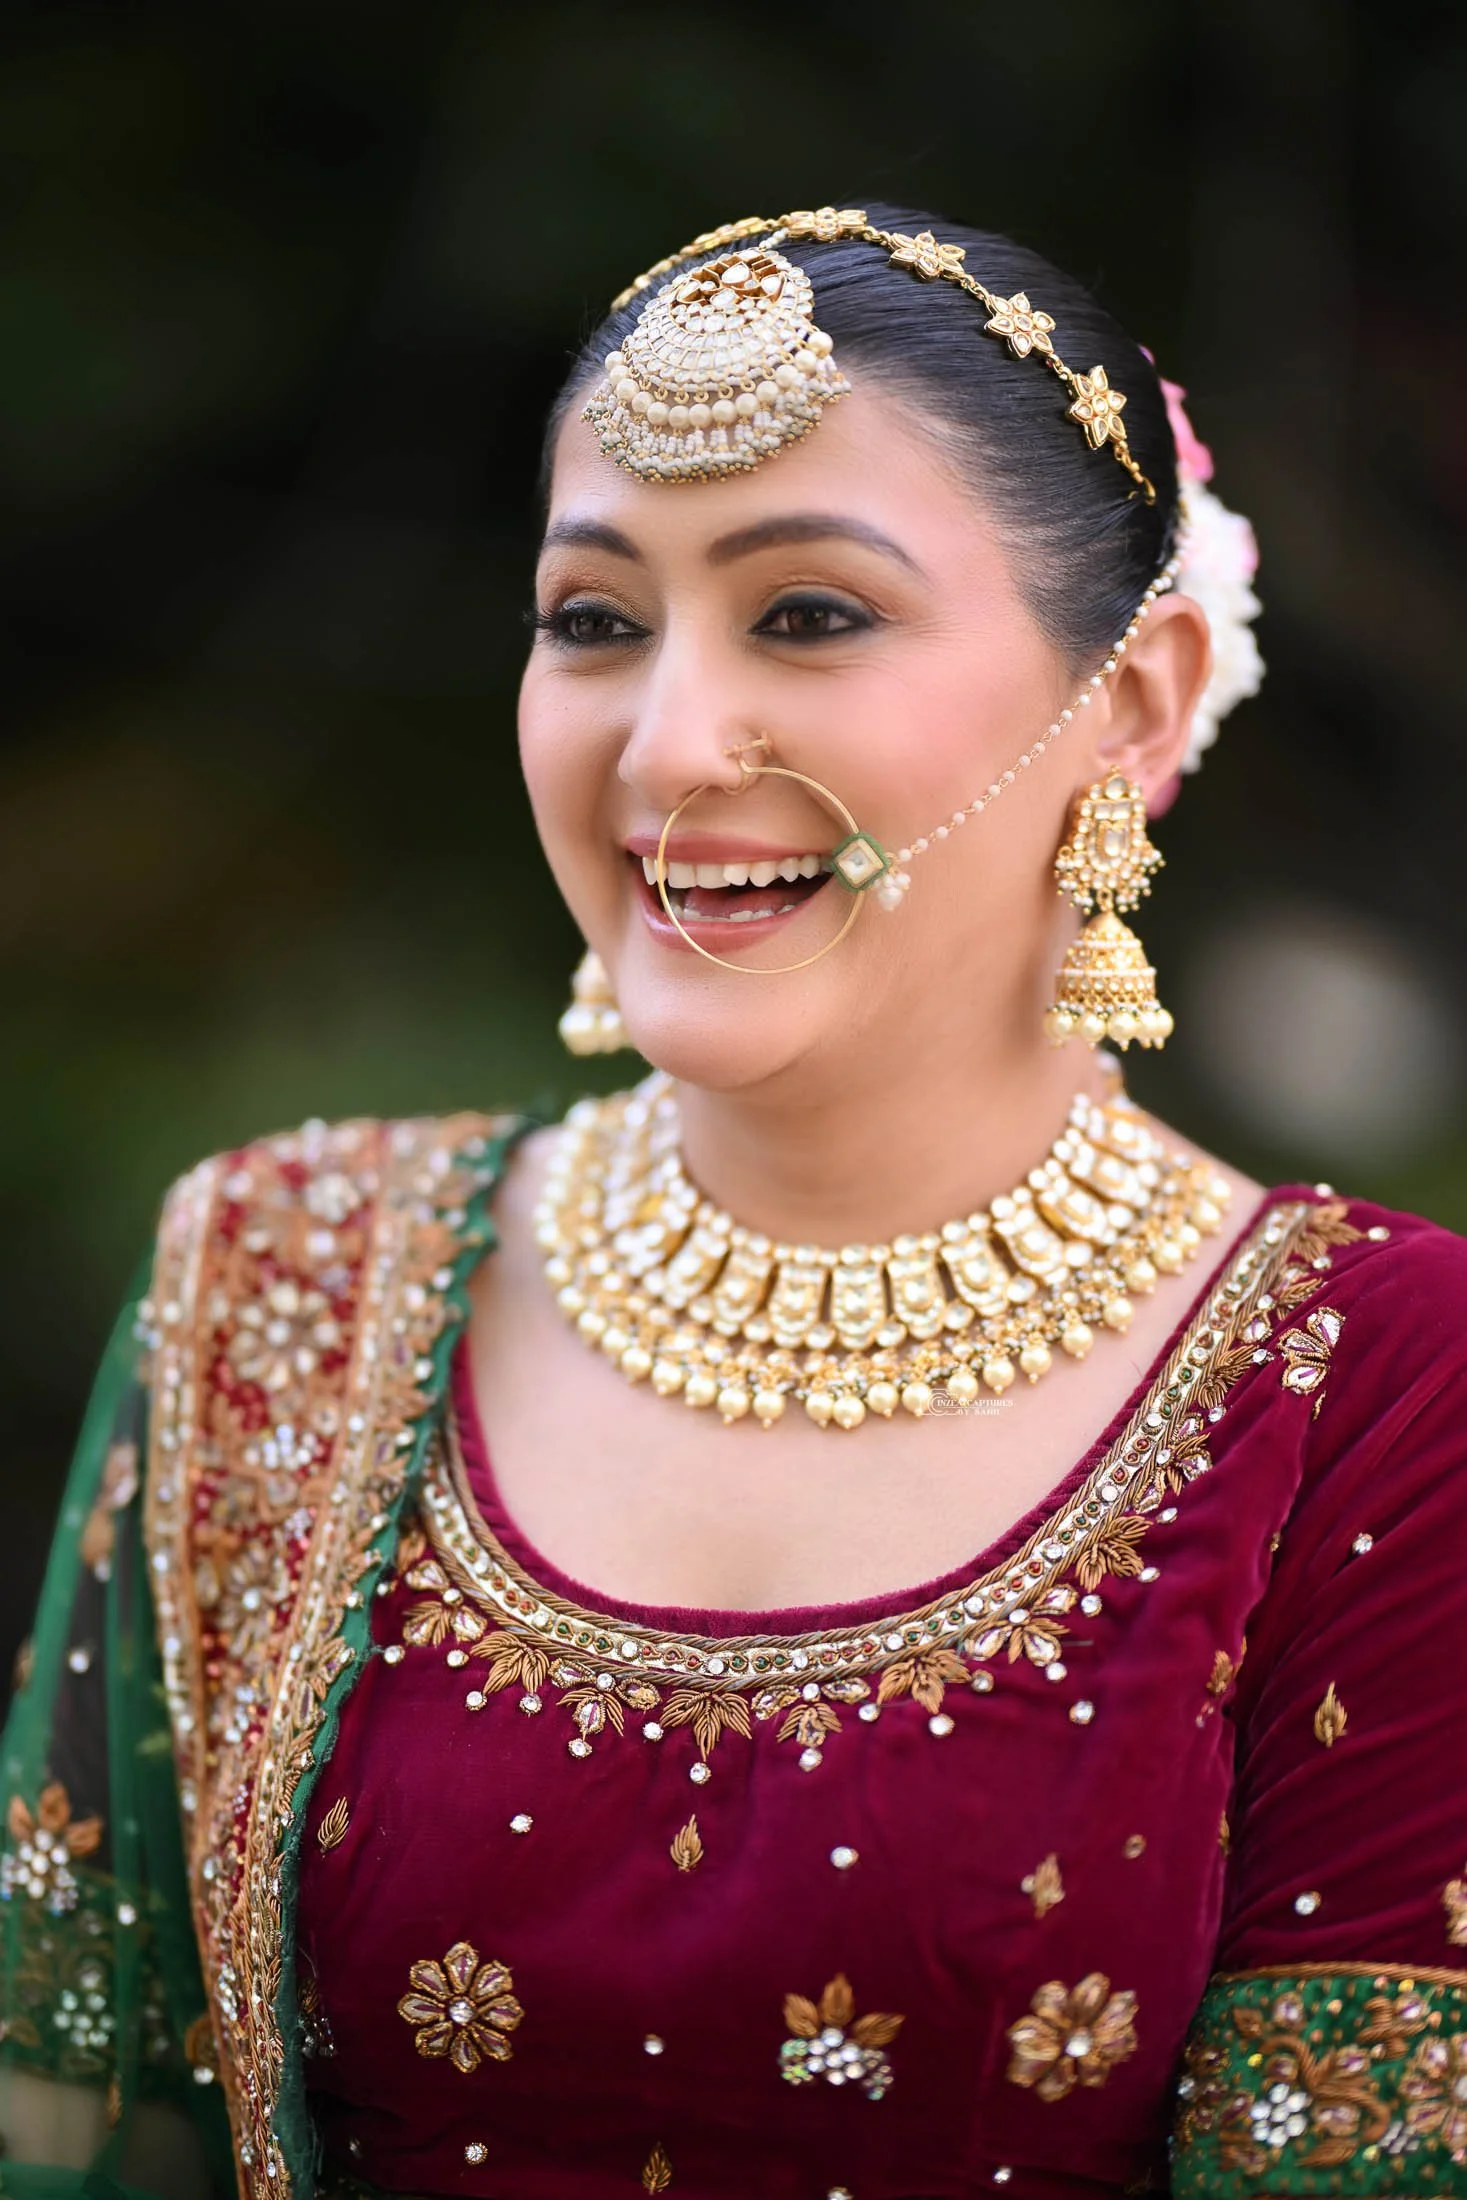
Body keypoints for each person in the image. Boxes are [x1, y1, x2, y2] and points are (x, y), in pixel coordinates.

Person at [3, 201, 1465, 2200]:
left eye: (809, 614)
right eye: (594, 619)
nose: (668, 743)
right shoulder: (280, 1275)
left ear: (1129, 703)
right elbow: (74, 2114)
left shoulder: (1374, 1381)